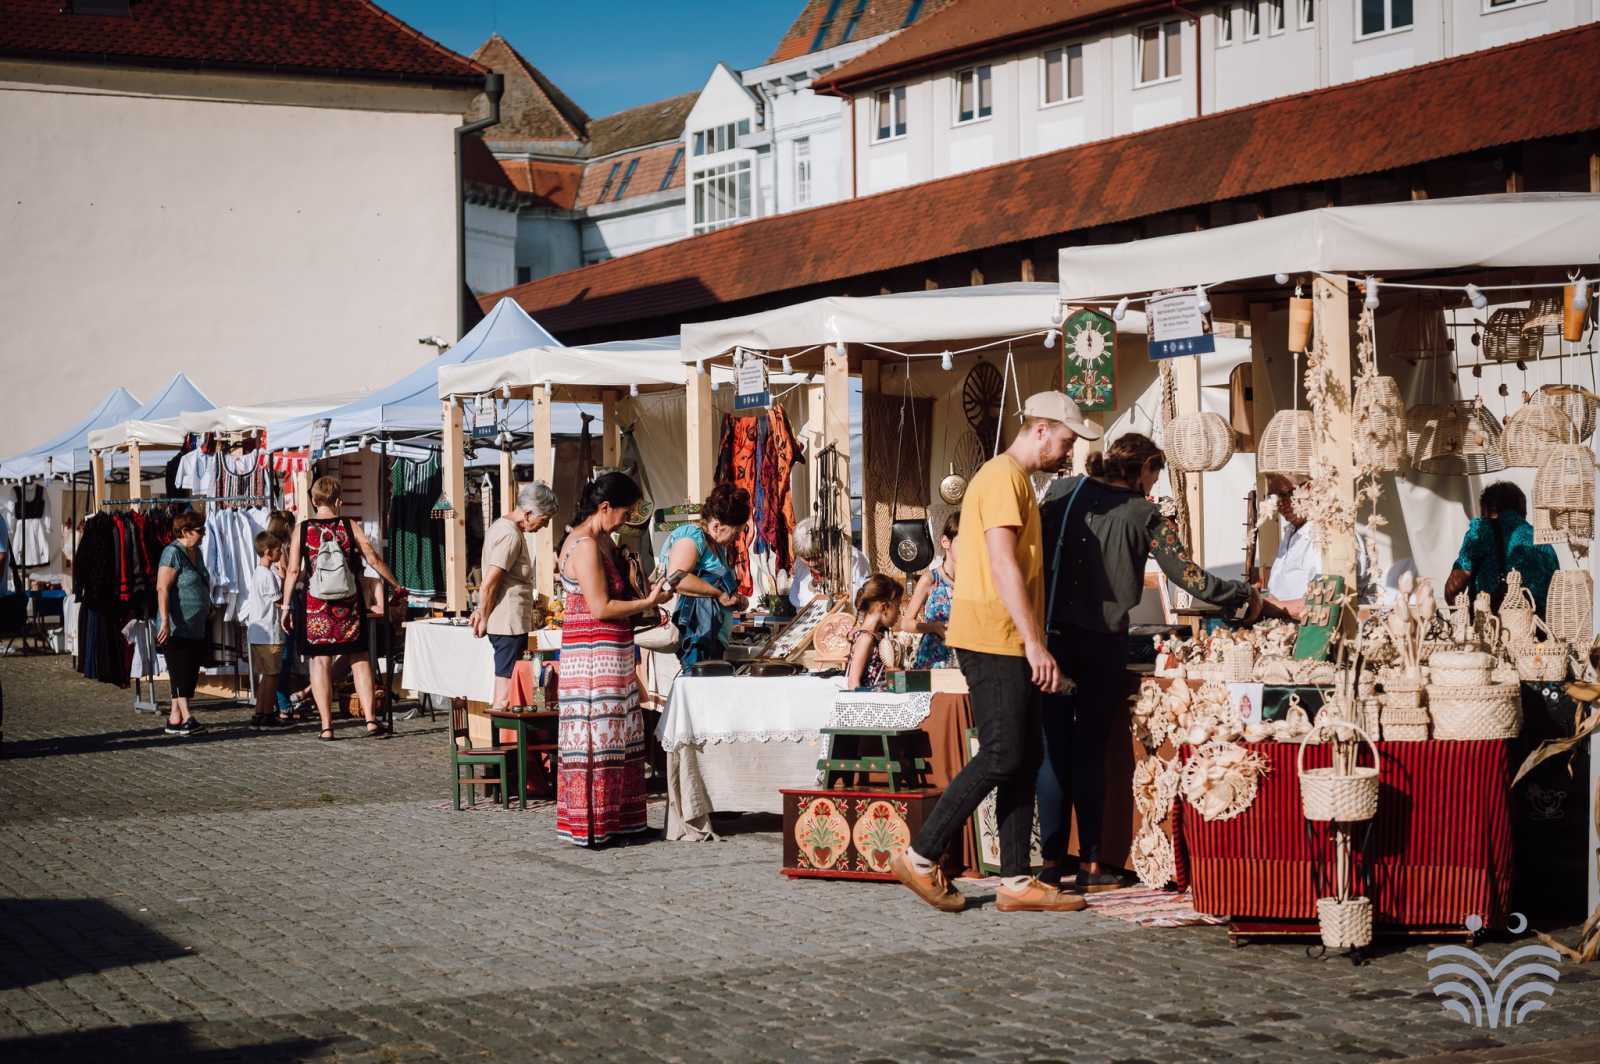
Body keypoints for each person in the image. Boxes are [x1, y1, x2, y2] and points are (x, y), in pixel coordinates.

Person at [891, 391, 1101, 915]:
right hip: (993, 635)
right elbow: (1004, 562)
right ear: (1040, 430)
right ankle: (919, 854)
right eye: (1066, 441)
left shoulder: (1012, 480)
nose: (1068, 453)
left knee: (1023, 758)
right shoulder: (1005, 477)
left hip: (1002, 634)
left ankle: (1014, 879)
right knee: (1005, 753)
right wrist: (1034, 642)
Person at [1038, 433, 1259, 892]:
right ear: (1144, 469)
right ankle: (1094, 864)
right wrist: (1244, 595)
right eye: (1154, 474)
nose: (1153, 484)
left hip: (1051, 637)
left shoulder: (1062, 493)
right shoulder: (1145, 514)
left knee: (1054, 751)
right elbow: (1190, 577)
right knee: (1090, 751)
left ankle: (1049, 864)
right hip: (1102, 644)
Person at [556, 472, 670, 846]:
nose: (627, 519)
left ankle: (622, 821)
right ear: (604, 508)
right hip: (593, 658)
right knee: (599, 738)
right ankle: (596, 825)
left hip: (613, 653)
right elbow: (601, 607)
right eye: (624, 511)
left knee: (620, 737)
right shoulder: (585, 545)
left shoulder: (602, 540)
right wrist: (648, 603)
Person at [278, 476, 405, 741]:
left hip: (316, 606)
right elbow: (373, 558)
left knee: (321, 662)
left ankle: (326, 726)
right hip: (348, 604)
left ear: (313, 501)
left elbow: (293, 571)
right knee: (359, 660)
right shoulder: (349, 526)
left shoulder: (303, 528)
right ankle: (371, 721)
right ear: (339, 500)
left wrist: (286, 606)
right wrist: (396, 585)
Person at [471, 482, 559, 708]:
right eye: (544, 520)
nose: (545, 526)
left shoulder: (503, 528)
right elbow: (490, 581)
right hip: (507, 624)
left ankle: (510, 736)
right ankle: (503, 738)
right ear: (529, 513)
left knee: (515, 680)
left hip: (511, 623)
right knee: (505, 690)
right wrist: (482, 613)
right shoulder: (509, 535)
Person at [657, 483, 750, 666]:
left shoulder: (717, 547)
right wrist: (718, 594)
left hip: (712, 637)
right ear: (717, 526)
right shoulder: (692, 537)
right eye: (735, 532)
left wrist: (735, 599)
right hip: (696, 638)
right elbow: (677, 578)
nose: (737, 537)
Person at [1445, 481, 1559, 614]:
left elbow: (1454, 587)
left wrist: (1460, 622)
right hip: (1541, 628)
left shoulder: (1482, 531)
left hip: (1498, 627)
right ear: (1523, 510)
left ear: (1487, 509)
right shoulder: (1542, 539)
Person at [155, 511, 211, 737]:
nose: (204, 535)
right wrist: (166, 620)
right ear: (186, 531)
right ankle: (187, 717)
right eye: (200, 531)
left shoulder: (196, 552)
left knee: (189, 670)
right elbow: (162, 588)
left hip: (195, 625)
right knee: (180, 671)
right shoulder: (172, 553)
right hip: (177, 625)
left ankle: (174, 719)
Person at [901, 511, 959, 668]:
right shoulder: (931, 579)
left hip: (964, 660)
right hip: (933, 659)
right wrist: (933, 627)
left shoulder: (973, 581)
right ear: (946, 542)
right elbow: (906, 623)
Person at [242, 531, 287, 730]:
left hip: (258, 633)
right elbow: (278, 600)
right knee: (271, 675)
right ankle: (267, 713)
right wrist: (285, 578)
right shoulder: (267, 575)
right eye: (278, 550)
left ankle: (260, 713)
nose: (281, 553)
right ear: (269, 552)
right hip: (269, 633)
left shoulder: (257, 572)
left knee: (265, 675)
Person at [788, 517, 872, 609]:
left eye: (817, 557)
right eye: (806, 559)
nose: (812, 563)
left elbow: (862, 601)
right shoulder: (800, 563)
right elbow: (797, 598)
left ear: (830, 547)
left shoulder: (853, 559)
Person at [846, 575, 904, 691]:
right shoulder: (866, 638)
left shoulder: (877, 636)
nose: (899, 612)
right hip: (871, 702)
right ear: (884, 608)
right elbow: (853, 683)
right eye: (897, 606)